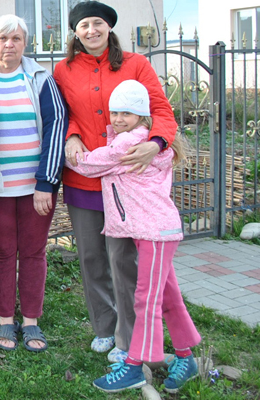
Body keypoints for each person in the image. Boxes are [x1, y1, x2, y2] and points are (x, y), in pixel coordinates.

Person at [53, 1, 178, 364]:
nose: (91, 31)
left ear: (109, 27)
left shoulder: (136, 65)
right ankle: (104, 328)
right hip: (84, 178)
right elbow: (64, 114)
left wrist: (155, 144)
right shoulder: (64, 69)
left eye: (98, 24)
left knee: (122, 260)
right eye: (83, 25)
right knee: (91, 258)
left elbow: (161, 112)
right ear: (74, 32)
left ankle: (129, 336)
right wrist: (72, 136)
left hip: (127, 184)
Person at [67, 80, 201, 393]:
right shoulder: (137, 139)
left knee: (146, 299)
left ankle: (135, 365)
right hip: (152, 230)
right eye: (115, 112)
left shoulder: (131, 142)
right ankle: (185, 356)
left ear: (142, 117)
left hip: (154, 231)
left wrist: (68, 153)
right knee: (166, 296)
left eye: (127, 113)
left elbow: (90, 165)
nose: (117, 119)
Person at [0, 14, 68, 352]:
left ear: (25, 43)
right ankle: (5, 320)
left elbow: (57, 125)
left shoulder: (40, 78)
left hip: (36, 186)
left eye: (16, 39)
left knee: (32, 251)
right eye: (3, 39)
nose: (9, 45)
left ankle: (30, 321)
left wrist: (47, 181)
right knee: (1, 252)